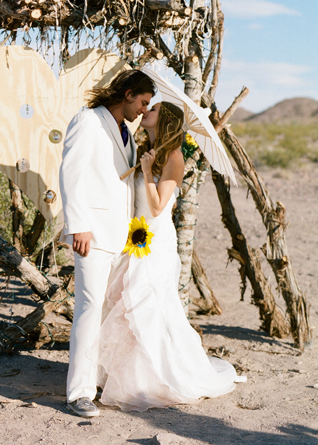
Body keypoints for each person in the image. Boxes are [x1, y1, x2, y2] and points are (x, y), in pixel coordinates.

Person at [96, 101, 243, 413]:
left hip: (155, 240)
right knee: (125, 303)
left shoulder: (174, 157)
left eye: (154, 108)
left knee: (145, 304)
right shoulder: (146, 150)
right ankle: (125, 376)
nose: (146, 109)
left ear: (165, 120)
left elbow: (160, 206)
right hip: (135, 236)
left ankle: (150, 381)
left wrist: (148, 172)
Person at [59, 69, 156, 418]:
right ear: (128, 94)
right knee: (88, 308)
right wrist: (78, 225)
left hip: (120, 236)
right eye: (143, 102)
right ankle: (79, 394)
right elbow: (70, 172)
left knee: (105, 311)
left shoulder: (126, 131)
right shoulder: (87, 121)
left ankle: (97, 378)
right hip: (92, 234)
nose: (144, 110)